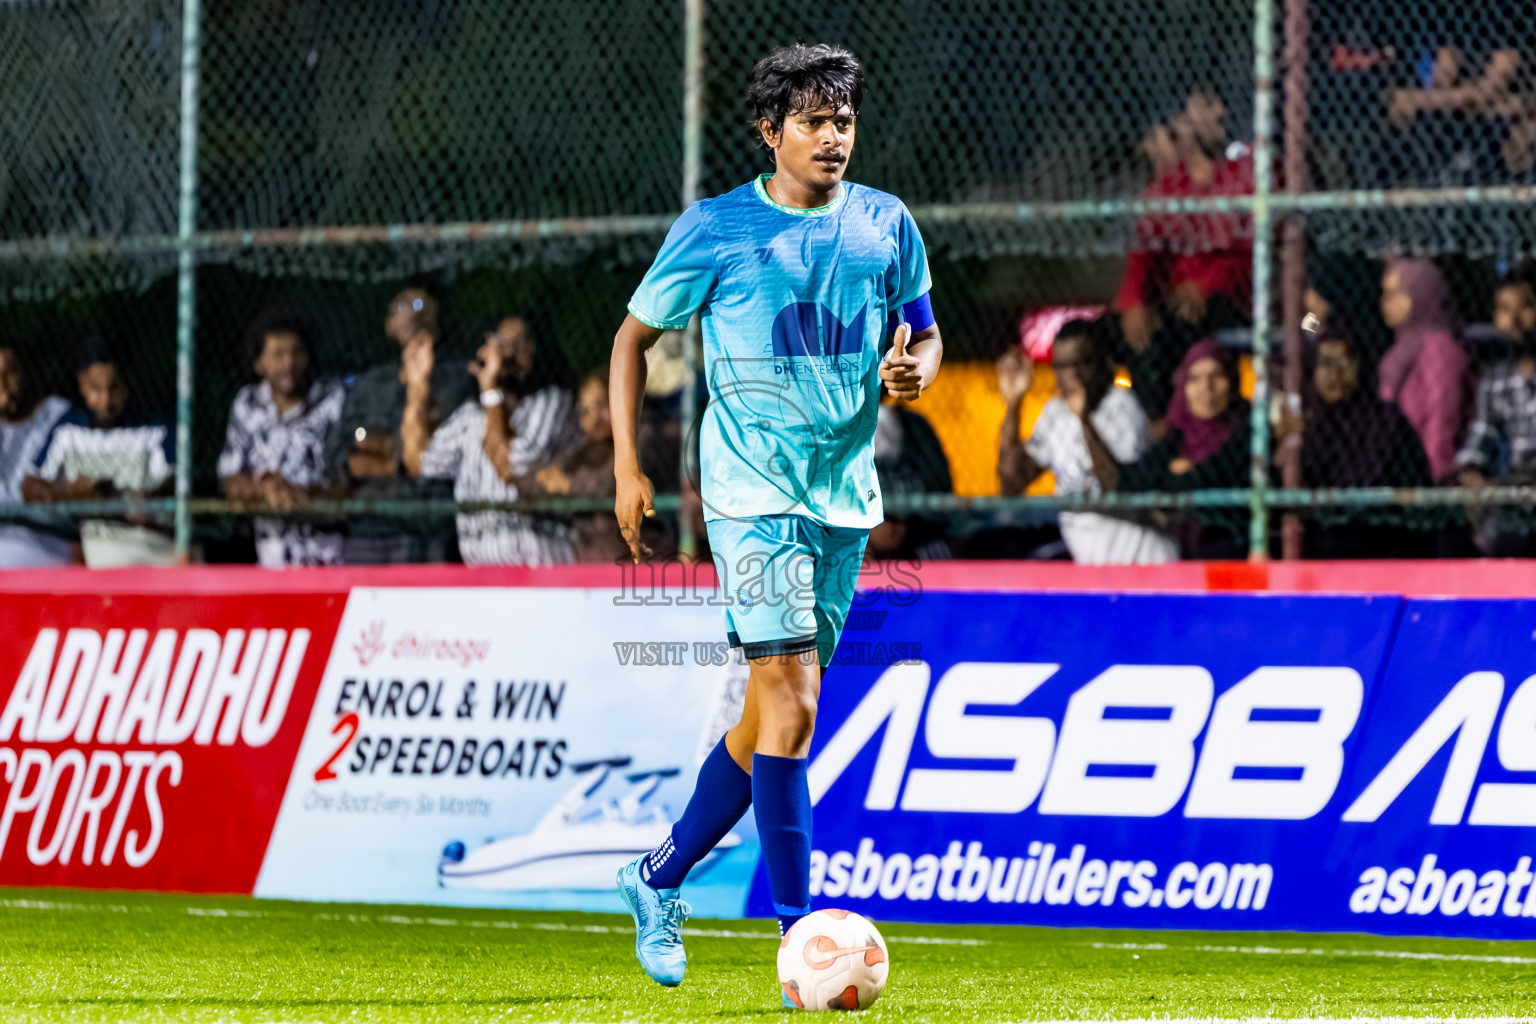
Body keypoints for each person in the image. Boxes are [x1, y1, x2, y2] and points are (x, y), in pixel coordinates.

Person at [607, 44, 941, 993]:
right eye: (813, 122)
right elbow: (632, 339)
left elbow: (925, 332)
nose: (833, 137)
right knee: (793, 705)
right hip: (750, 493)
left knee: (767, 720)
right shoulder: (717, 229)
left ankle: (656, 876)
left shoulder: (886, 223)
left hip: (844, 499)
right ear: (770, 131)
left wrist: (917, 369)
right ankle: (802, 938)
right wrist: (628, 465)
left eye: (844, 121)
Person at [1111, 88, 1254, 421]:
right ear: (1183, 120)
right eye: (1207, 103)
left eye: (1220, 101)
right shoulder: (1168, 187)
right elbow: (1142, 249)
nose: (1220, 111)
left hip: (1231, 300)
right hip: (1179, 303)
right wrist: (1134, 301)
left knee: (1181, 326)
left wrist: (1204, 285)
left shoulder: (1243, 178)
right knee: (1114, 332)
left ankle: (1175, 421)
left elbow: (1248, 254)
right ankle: (1148, 424)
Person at [997, 321, 1177, 564]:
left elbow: (1116, 488)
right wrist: (1014, 402)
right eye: (1062, 366)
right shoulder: (1055, 412)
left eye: (1081, 363)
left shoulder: (1121, 405)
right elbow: (1012, 483)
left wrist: (1084, 421)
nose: (1073, 375)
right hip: (1094, 564)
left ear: (1102, 362)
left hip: (1143, 561)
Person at [409, 315, 577, 566]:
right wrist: (417, 386)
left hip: (540, 569)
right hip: (481, 574)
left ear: (537, 351)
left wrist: (490, 389)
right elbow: (420, 462)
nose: (507, 354)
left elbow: (509, 467)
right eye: (501, 343)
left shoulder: (551, 402)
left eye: (518, 344)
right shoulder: (470, 417)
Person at [326, 288, 469, 563]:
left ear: (436, 319)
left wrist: (385, 450)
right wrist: (374, 445)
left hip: (428, 528)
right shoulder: (370, 383)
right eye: (402, 305)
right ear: (389, 324)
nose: (414, 311)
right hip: (370, 526)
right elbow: (343, 445)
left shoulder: (457, 381)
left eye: (421, 304)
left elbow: (431, 453)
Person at [1275, 323, 1432, 558]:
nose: (1335, 373)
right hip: (1316, 542)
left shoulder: (1386, 421)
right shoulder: (1305, 423)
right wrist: (1287, 444)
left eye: (1345, 362)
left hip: (1379, 538)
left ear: (1360, 366)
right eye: (1325, 363)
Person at [23, 335, 176, 567]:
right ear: (82, 385)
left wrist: (126, 497)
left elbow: (175, 483)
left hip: (155, 548)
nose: (106, 401)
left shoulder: (155, 427)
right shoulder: (69, 430)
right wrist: (70, 495)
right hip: (102, 556)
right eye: (96, 389)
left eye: (114, 388)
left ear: (126, 384)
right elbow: (30, 487)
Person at [218, 310, 347, 569]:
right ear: (259, 363)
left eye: (296, 352)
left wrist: (304, 495)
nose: (288, 363)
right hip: (271, 561)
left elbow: (350, 479)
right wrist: (264, 488)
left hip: (329, 560)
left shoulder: (333, 400)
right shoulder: (247, 404)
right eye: (278, 354)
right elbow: (230, 477)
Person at [1120, 339, 1251, 559]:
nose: (1206, 387)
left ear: (1232, 381)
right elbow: (1132, 481)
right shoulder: (1175, 438)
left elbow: (1216, 477)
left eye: (1217, 376)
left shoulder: (1247, 433)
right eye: (1195, 378)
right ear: (1183, 386)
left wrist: (1180, 476)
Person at [1457, 266, 1536, 556]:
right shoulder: (1496, 380)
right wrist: (1472, 474)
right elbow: (1478, 441)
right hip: (1515, 502)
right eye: (1504, 309)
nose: (1513, 320)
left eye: (1525, 307)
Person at [1377, 259, 1471, 482]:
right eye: (1385, 294)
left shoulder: (1439, 348)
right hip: (1399, 466)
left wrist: (1434, 478)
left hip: (1429, 474)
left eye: (1395, 294)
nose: (1386, 303)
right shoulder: (1403, 348)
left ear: (1420, 293)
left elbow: (1441, 418)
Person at [535, 371, 626, 564]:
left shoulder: (638, 441)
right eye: (586, 411)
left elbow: (605, 487)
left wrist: (568, 485)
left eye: (601, 405)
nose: (595, 418)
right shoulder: (579, 448)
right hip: (583, 556)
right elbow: (543, 479)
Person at [0, 347, 73, 566]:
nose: (3, 384)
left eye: (10, 373)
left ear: (25, 373)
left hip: (46, 546)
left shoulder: (58, 414)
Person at [866, 398, 953, 561]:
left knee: (935, 551)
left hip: (915, 528)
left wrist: (901, 521)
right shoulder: (844, 429)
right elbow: (859, 486)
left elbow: (941, 486)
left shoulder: (916, 427)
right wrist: (871, 524)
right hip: (866, 527)